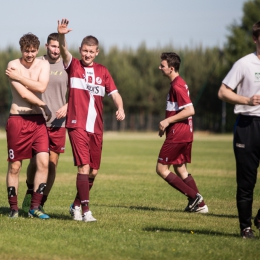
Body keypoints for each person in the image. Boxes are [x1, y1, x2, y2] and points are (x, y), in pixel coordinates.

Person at [57, 18, 125, 222]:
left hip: (96, 127)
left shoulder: (103, 71)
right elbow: (63, 51)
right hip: (77, 124)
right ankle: (86, 211)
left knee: (94, 171)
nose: (87, 54)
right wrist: (61, 35)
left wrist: (120, 107)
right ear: (80, 49)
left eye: (91, 51)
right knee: (84, 167)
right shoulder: (73, 65)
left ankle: (76, 205)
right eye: (84, 50)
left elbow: (115, 93)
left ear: (97, 52)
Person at [218, 21, 260, 239]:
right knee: (247, 181)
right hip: (247, 125)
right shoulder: (244, 64)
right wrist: (247, 100)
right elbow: (223, 92)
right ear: (255, 39)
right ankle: (245, 228)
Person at [5, 33, 51, 219]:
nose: (30, 54)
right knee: (15, 166)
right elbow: (24, 94)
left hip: (38, 122)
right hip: (18, 120)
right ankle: (14, 208)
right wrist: (43, 105)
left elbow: (41, 88)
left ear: (37, 50)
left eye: (33, 51)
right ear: (21, 49)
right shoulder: (12, 66)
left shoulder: (44, 64)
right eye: (26, 51)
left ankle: (35, 207)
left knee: (43, 162)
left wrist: (20, 77)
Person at [21, 33, 68, 213]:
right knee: (35, 161)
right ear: (47, 46)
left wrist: (67, 105)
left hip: (58, 121)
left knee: (52, 163)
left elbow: (78, 92)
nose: (56, 50)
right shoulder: (36, 62)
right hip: (37, 119)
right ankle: (29, 190)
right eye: (53, 46)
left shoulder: (68, 64)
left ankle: (40, 202)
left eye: (58, 47)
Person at [156, 52, 208, 213]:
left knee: (162, 169)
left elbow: (190, 110)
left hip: (178, 134)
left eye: (162, 66)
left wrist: (166, 121)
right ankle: (201, 206)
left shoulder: (177, 86)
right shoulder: (178, 83)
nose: (159, 68)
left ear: (171, 68)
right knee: (180, 168)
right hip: (185, 133)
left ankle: (195, 197)